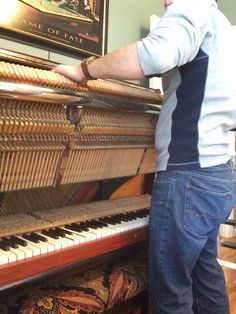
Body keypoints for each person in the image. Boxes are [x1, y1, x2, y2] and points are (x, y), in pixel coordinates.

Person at [52, 0, 236, 313]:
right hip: (218, 173)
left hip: (187, 175)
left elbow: (155, 54)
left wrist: (85, 70)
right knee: (205, 276)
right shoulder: (223, 27)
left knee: (171, 293)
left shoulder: (191, 8)